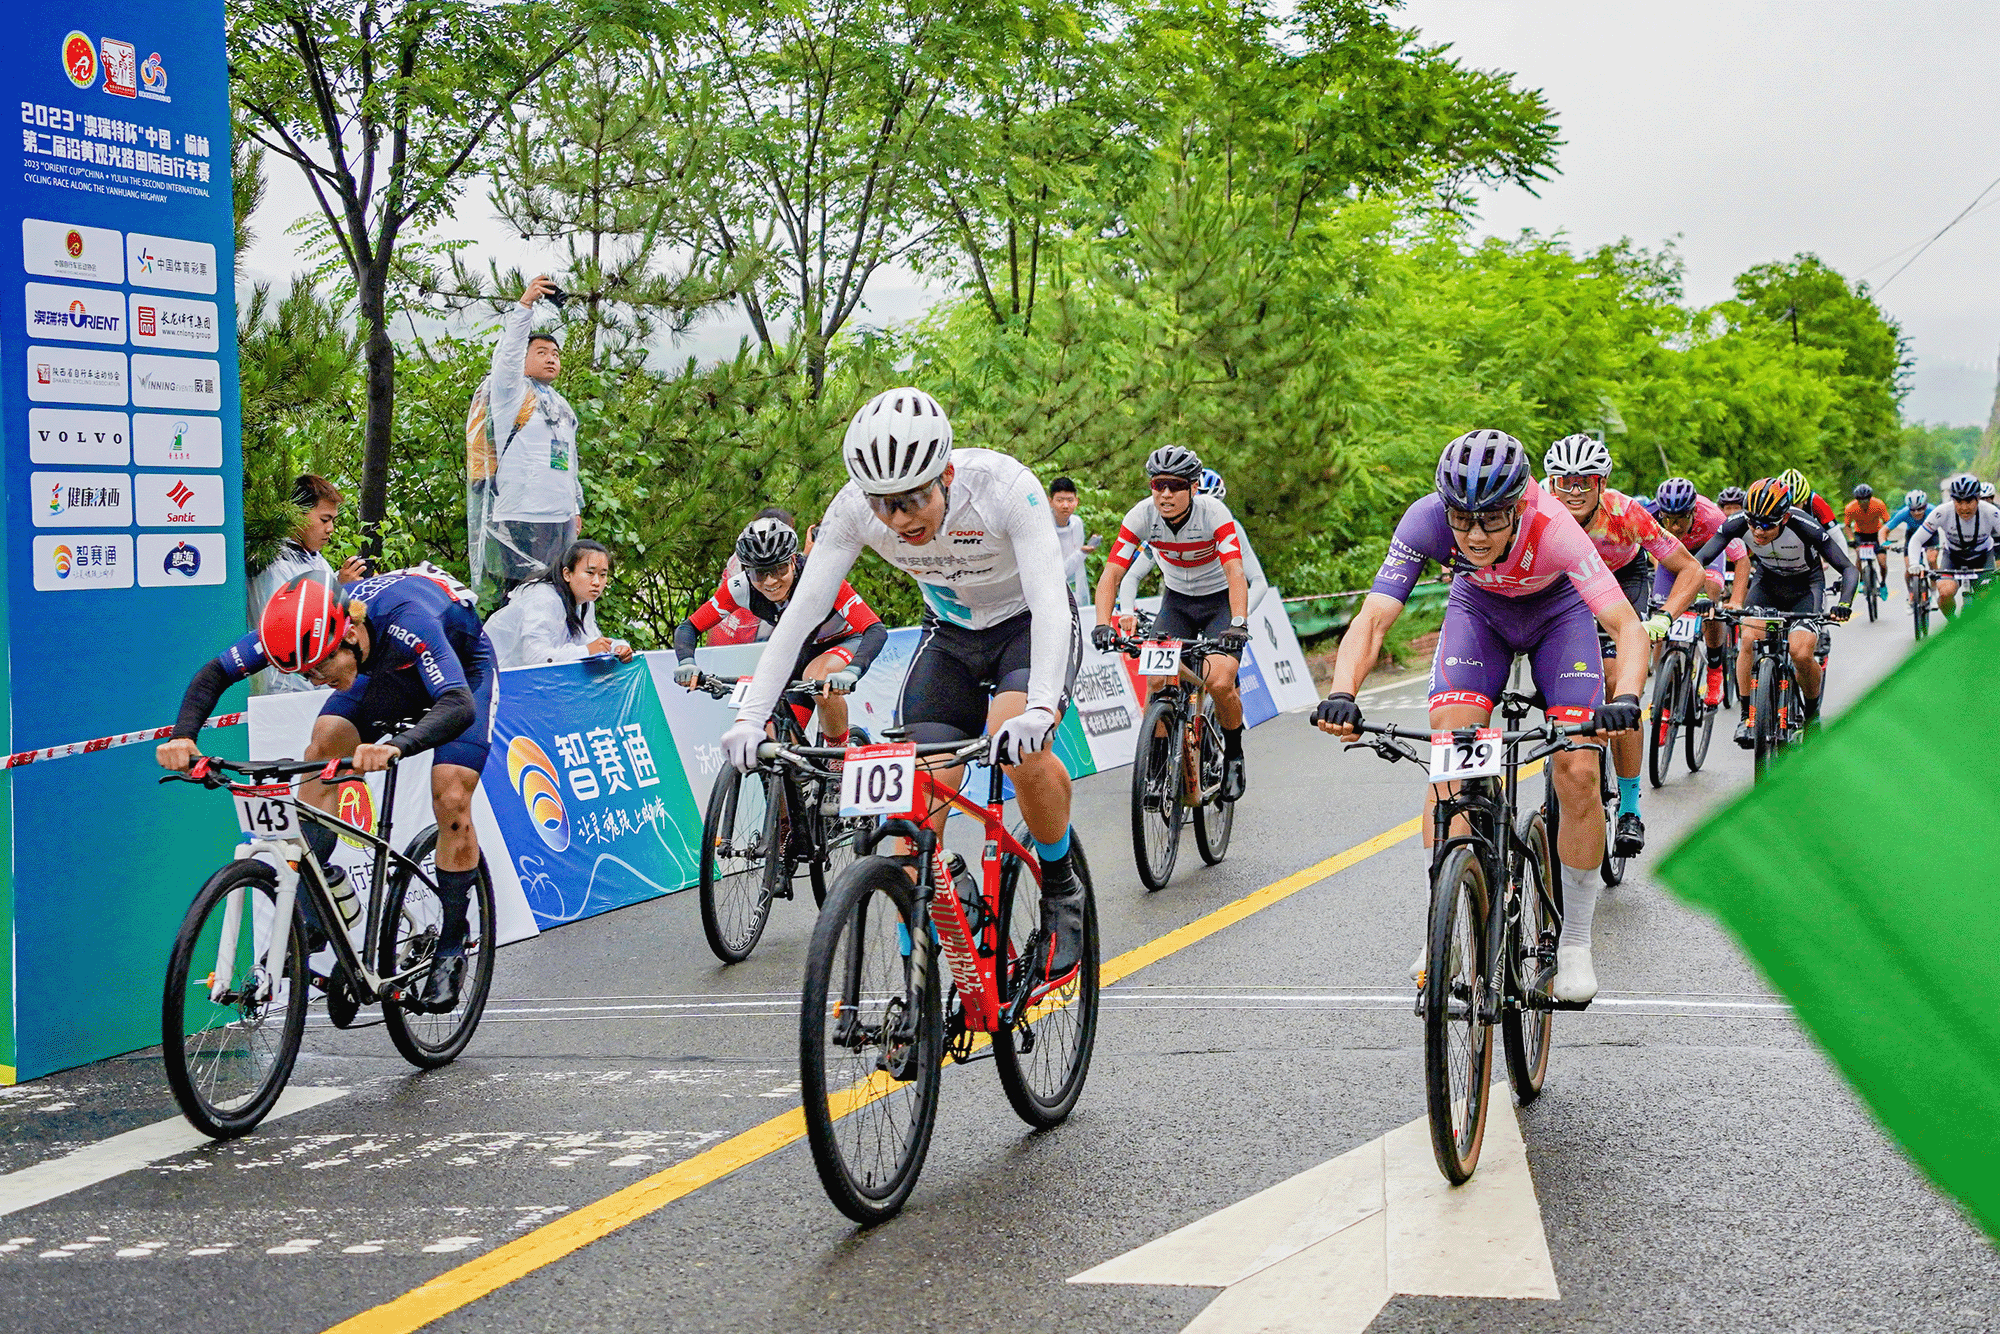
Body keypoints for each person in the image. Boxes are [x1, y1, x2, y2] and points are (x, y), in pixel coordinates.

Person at [718, 388, 1086, 984]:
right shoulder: (851, 510)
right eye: (884, 505)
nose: (900, 520)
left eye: (914, 499)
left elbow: (1049, 603)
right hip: (950, 636)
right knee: (916, 806)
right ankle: (918, 983)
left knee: (1016, 745)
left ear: (946, 475)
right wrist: (749, 717)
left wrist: (1040, 709)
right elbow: (800, 616)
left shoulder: (1003, 488)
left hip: (1026, 626)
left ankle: (1062, 884)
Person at [1312, 430, 1649, 1004]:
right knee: (1451, 760)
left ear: (1518, 505)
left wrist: (1628, 698)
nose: (1473, 535)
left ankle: (1574, 941)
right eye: (1462, 519)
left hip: (1558, 618)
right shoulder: (1424, 521)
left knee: (1577, 770)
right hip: (1479, 615)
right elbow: (1373, 619)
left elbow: (1626, 626)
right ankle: (1444, 918)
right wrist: (1343, 692)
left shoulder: (1555, 528)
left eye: (1491, 519)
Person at [157, 571, 498, 1013]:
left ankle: (451, 943)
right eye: (304, 672)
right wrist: (184, 736)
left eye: (319, 667)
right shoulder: (301, 627)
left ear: (350, 633)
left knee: (450, 794)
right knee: (322, 748)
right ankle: (314, 905)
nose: (315, 680)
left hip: (462, 675)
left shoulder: (409, 620)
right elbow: (217, 672)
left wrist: (397, 745)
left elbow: (457, 704)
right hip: (382, 672)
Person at [1539, 435, 1705, 857]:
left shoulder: (1625, 513)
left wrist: (1664, 616)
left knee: (1616, 682)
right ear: (1551, 482)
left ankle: (1630, 808)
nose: (1574, 491)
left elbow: (1690, 569)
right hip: (1563, 586)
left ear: (1602, 482)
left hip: (1620, 580)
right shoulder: (1536, 508)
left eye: (1585, 481)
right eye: (1565, 482)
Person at [1092, 446, 1253, 798]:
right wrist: (1103, 622)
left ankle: (1234, 753)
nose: (1165, 494)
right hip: (1177, 602)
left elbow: (1235, 571)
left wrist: (1238, 623)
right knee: (1156, 682)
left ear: (1193, 488)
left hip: (1219, 602)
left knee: (1220, 682)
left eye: (1176, 486)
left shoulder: (1214, 513)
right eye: (1158, 484)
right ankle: (1157, 765)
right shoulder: (1141, 515)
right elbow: (1113, 573)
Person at [674, 517, 887, 745]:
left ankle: (839, 751)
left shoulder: (822, 578)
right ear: (747, 571)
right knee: (776, 736)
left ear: (793, 561)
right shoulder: (740, 588)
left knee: (817, 676)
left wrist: (852, 671)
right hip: (799, 650)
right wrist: (686, 662)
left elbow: (875, 629)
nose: (770, 581)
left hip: (845, 640)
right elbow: (690, 626)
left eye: (779, 569)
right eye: (759, 573)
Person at [1694, 477, 1855, 746]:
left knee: (1800, 652)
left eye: (1768, 525)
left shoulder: (1804, 525)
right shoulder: (1738, 522)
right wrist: (1701, 595)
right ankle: (1747, 717)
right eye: (1753, 523)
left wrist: (1845, 603)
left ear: (1784, 518)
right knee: (1748, 639)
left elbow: (1848, 568)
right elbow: (1699, 560)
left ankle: (1812, 715)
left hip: (1806, 588)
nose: (1758, 531)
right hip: (1767, 585)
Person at [471, 276, 582, 601]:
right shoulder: (512, 394)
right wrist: (525, 305)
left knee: (559, 598)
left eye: (556, 354)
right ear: (523, 359)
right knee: (524, 599)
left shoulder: (559, 403)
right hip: (522, 516)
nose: (551, 358)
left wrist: (574, 507)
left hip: (559, 517)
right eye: (542, 352)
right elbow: (507, 357)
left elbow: (568, 461)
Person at [249, 474, 371, 694]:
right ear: (297, 514)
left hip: (315, 685)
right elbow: (290, 629)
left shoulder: (314, 558)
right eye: (324, 520)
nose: (330, 528)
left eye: (333, 520)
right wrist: (340, 590)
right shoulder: (273, 564)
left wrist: (343, 588)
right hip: (284, 690)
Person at [1646, 478, 1749, 708]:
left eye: (1681, 518)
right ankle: (1663, 687)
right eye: (1668, 519)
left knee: (1709, 599)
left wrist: (1736, 600)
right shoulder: (1649, 512)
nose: (1674, 526)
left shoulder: (1713, 517)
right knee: (1660, 616)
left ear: (1693, 511)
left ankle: (1714, 669)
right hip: (1672, 556)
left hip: (1708, 555)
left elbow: (1741, 559)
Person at [1115, 467, 1269, 609]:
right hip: (1178, 601)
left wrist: (1241, 615)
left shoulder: (1230, 528)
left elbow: (1259, 582)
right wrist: (1128, 611)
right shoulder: (1162, 529)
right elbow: (1132, 576)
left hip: (1219, 600)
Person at [485, 539, 633, 668]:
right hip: (496, 676)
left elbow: (588, 641)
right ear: (567, 574)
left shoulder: (584, 602)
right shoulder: (543, 599)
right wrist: (587, 650)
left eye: (603, 575)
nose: (596, 582)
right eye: (590, 573)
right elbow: (536, 657)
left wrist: (617, 647)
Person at [1907, 475, 2000, 620]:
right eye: (1959, 502)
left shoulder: (1991, 512)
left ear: (1978, 499)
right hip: (1953, 557)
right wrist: (1914, 563)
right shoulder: (1942, 512)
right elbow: (1916, 539)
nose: (1964, 508)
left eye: (1969, 501)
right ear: (1952, 500)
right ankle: (1953, 623)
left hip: (1982, 557)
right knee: (1945, 593)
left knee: (1985, 597)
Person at [1049, 477, 1100, 608]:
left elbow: (1078, 566)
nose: (1065, 505)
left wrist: (1085, 550)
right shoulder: (1045, 527)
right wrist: (1082, 552)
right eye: (1060, 500)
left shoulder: (1077, 523)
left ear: (1076, 501)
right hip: (1052, 594)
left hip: (1077, 590)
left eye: (1070, 500)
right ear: (1050, 501)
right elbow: (1056, 572)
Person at [1842, 484, 1892, 598]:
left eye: (1866, 500)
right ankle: (1860, 581)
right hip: (1861, 534)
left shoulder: (1878, 504)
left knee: (1882, 562)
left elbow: (1888, 523)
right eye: (1861, 500)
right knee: (1859, 555)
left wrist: (1884, 538)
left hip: (1877, 533)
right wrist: (1851, 540)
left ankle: (1883, 583)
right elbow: (1847, 525)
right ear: (1857, 500)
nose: (1864, 503)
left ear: (1870, 498)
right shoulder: (1850, 507)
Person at [1885, 489, 1931, 596]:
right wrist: (1884, 543)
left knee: (1932, 559)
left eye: (1920, 509)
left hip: (1930, 534)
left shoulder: (1933, 510)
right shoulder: (1904, 513)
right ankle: (1911, 593)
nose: (1916, 513)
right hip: (1912, 535)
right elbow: (1884, 530)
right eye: (1913, 510)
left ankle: (1933, 592)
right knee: (1909, 568)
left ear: (1925, 506)